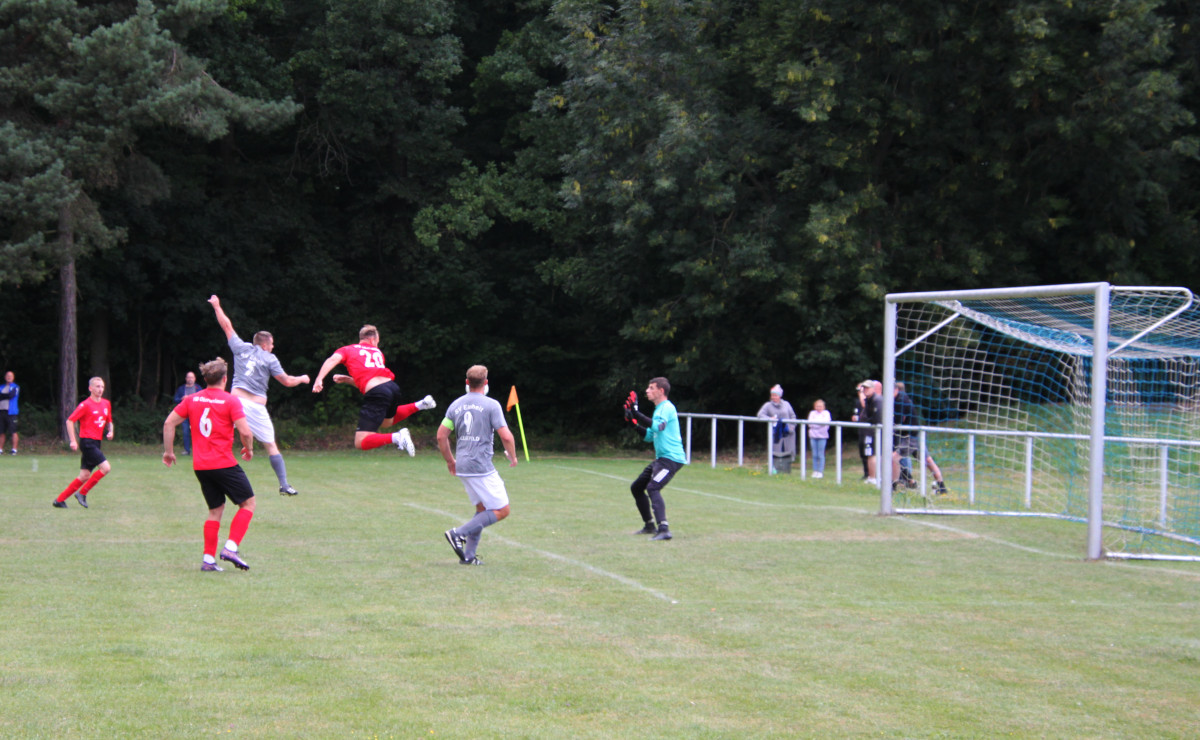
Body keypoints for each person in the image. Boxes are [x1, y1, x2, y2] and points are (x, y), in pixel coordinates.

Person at [163, 358, 258, 571]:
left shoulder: (191, 399)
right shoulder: (230, 401)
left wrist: (169, 452)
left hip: (201, 466)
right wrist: (249, 448)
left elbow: (169, 423)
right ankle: (231, 548)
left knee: (215, 510)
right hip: (223, 463)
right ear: (225, 379)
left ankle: (208, 561)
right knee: (248, 504)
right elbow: (245, 431)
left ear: (204, 379)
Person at [209, 295, 309, 495]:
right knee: (271, 446)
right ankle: (284, 485)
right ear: (265, 345)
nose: (272, 347)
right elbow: (287, 381)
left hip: (233, 401)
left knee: (220, 438)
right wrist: (303, 378)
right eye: (271, 344)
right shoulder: (269, 358)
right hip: (254, 407)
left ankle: (214, 475)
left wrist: (217, 306)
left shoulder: (241, 348)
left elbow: (227, 327)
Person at [312, 324, 435, 454]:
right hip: (392, 388)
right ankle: (421, 404)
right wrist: (348, 380)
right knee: (386, 423)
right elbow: (373, 381)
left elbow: (332, 359)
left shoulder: (347, 349)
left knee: (360, 442)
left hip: (379, 392)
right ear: (372, 340)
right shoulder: (377, 353)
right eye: (378, 341)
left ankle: (398, 437)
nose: (377, 344)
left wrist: (319, 379)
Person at [438, 365, 517, 566]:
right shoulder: (492, 405)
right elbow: (506, 435)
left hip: (463, 465)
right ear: (486, 383)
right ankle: (458, 533)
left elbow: (441, 435)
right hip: (480, 466)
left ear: (467, 382)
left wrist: (450, 461)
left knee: (483, 509)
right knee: (503, 509)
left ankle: (468, 556)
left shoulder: (456, 405)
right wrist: (513, 457)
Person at [623, 376, 686, 541]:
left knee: (652, 488)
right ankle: (650, 525)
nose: (647, 391)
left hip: (671, 459)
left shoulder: (666, 407)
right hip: (662, 459)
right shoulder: (659, 410)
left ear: (661, 391)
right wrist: (633, 424)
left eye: (651, 388)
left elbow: (658, 426)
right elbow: (651, 435)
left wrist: (637, 413)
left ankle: (664, 529)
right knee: (637, 487)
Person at [54, 377, 113, 509]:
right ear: (90, 388)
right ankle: (82, 493)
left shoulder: (106, 404)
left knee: (84, 475)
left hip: (97, 442)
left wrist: (111, 431)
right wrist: (73, 441)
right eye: (97, 386)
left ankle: (59, 500)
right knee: (106, 468)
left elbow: (109, 421)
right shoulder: (85, 405)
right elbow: (69, 421)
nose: (100, 389)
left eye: (102, 387)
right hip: (87, 443)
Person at [891, 381, 949, 495]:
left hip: (910, 437)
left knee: (894, 458)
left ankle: (892, 486)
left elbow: (898, 420)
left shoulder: (900, 401)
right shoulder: (900, 398)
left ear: (896, 389)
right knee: (927, 460)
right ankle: (942, 487)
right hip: (915, 435)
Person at [755, 384, 797, 474]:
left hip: (787, 432)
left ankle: (786, 470)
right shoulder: (768, 405)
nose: (773, 397)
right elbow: (760, 415)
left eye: (775, 395)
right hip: (775, 433)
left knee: (788, 450)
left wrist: (792, 426)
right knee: (775, 450)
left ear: (780, 396)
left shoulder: (786, 404)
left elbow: (793, 416)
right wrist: (770, 419)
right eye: (772, 395)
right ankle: (775, 469)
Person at [172, 371, 202, 456]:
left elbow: (203, 398)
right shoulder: (181, 389)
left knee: (197, 432)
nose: (190, 379)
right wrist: (182, 399)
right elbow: (175, 399)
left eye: (192, 377)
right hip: (184, 414)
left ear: (195, 379)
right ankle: (187, 450)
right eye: (188, 377)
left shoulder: (198, 388)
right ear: (186, 379)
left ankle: (198, 450)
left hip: (196, 413)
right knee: (185, 432)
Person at [807, 398, 831, 478]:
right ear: (814, 407)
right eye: (817, 406)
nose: (818, 408)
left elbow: (825, 423)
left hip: (822, 436)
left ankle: (820, 471)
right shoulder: (812, 413)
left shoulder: (826, 413)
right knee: (814, 454)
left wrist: (816, 423)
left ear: (824, 407)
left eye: (820, 406)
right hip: (813, 436)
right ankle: (815, 471)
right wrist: (819, 424)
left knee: (821, 454)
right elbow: (810, 424)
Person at [0, 370, 19, 454]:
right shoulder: (1, 387)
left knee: (13, 431)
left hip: (11, 413)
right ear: (5, 377)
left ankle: (14, 450)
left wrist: (3, 396)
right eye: (7, 375)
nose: (9, 377)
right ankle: (0, 449)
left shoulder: (15, 387)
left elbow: (11, 395)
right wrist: (5, 396)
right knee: (1, 431)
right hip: (1, 411)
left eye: (10, 376)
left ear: (13, 377)